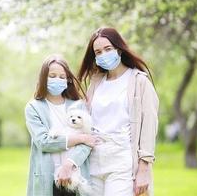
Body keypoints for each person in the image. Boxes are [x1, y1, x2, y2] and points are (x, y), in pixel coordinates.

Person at [77, 27, 159, 196]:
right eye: (98, 52)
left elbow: (149, 126)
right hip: (93, 159)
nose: (103, 55)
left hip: (122, 159)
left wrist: (144, 168)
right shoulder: (96, 82)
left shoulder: (139, 81)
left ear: (119, 49)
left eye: (108, 49)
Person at [25, 54, 99, 196]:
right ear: (43, 78)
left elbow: (87, 144)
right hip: (47, 178)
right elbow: (43, 142)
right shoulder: (33, 108)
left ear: (68, 80)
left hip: (76, 177)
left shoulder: (78, 106)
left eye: (61, 76)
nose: (57, 80)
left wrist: (68, 164)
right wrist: (80, 138)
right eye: (52, 76)